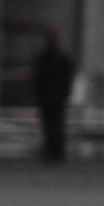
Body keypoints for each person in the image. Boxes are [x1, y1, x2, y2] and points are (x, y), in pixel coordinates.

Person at [31, 31, 75, 162]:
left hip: (46, 98)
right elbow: (67, 78)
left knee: (48, 125)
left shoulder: (42, 59)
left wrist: (38, 95)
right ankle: (56, 150)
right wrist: (65, 93)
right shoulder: (61, 59)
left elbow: (37, 79)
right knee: (57, 125)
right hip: (57, 98)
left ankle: (51, 149)